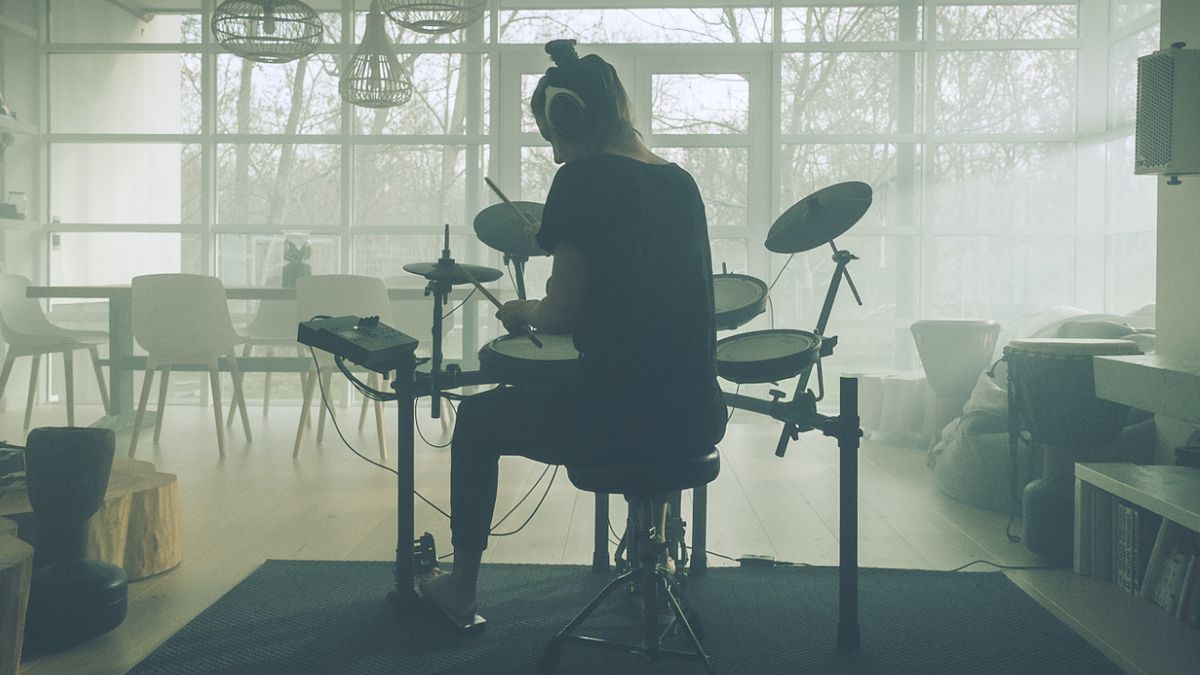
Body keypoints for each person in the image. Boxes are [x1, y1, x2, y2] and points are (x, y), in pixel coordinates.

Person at [418, 39, 727, 625]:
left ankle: (459, 589)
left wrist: (521, 310)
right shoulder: (680, 182)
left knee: (479, 422)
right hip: (696, 416)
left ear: (570, 118)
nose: (555, 155)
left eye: (551, 136)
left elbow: (559, 316)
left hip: (618, 422)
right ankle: (652, 557)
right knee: (631, 387)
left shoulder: (583, 181)